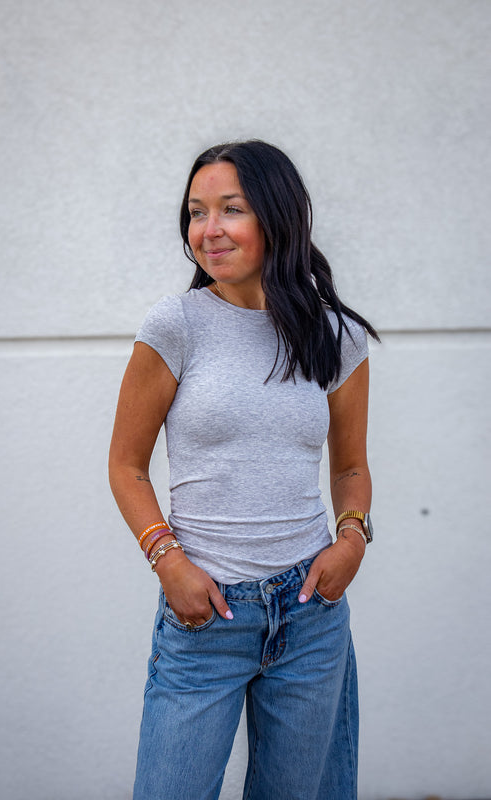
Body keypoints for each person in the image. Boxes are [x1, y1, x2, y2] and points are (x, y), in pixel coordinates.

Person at [109, 139, 379, 800]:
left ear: (276, 217)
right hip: (207, 616)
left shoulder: (333, 336)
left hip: (311, 614)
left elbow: (348, 467)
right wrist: (168, 561)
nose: (208, 229)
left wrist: (351, 536)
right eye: (196, 212)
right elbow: (125, 465)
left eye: (230, 209)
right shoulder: (176, 325)